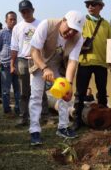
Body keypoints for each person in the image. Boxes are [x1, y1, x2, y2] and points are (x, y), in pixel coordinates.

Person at [28, 10, 85, 145]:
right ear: (63, 20)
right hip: (40, 62)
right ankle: (34, 130)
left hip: (58, 65)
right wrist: (44, 68)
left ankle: (63, 127)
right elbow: (34, 51)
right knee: (36, 96)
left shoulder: (79, 38)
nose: (71, 33)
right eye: (69, 28)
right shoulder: (46, 25)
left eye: (75, 31)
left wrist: (69, 85)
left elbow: (72, 62)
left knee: (65, 93)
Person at [73, 0, 111, 131]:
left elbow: (110, 44)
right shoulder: (82, 21)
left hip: (102, 63)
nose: (90, 6)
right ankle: (77, 119)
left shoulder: (106, 24)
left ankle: (105, 117)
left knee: (102, 92)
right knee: (80, 93)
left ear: (101, 7)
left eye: (94, 4)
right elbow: (73, 38)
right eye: (88, 4)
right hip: (85, 62)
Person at [10, 0, 48, 126]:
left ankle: (44, 115)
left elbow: (47, 44)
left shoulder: (42, 24)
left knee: (40, 89)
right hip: (22, 60)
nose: (26, 13)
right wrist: (12, 64)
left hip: (37, 60)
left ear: (33, 10)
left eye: (28, 10)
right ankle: (23, 116)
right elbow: (14, 48)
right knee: (23, 91)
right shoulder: (17, 28)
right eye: (23, 12)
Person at [0, 11, 20, 115]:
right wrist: (3, 59)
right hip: (5, 65)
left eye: (15, 19)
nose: (13, 21)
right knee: (5, 89)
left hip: (17, 65)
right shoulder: (1, 33)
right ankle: (7, 110)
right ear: (6, 21)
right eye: (11, 19)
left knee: (18, 89)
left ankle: (18, 109)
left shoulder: (19, 31)